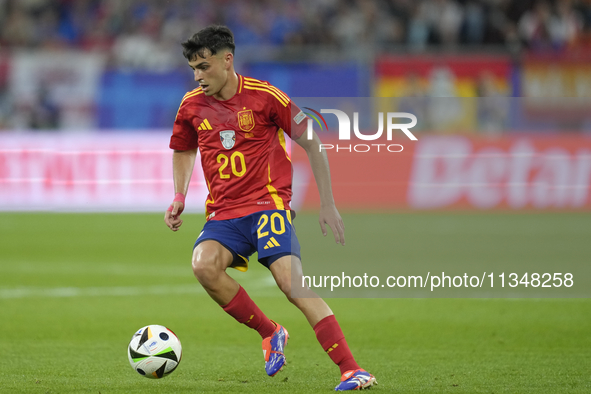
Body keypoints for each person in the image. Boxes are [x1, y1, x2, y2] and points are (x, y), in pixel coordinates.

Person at [164, 25, 376, 391]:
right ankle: (271, 332)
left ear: (227, 60)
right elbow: (184, 149)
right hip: (223, 213)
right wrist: (180, 195)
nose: (198, 76)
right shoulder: (190, 106)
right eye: (193, 69)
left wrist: (327, 202)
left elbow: (313, 143)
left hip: (268, 206)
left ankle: (352, 369)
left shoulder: (265, 96)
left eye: (204, 66)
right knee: (204, 266)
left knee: (291, 283)